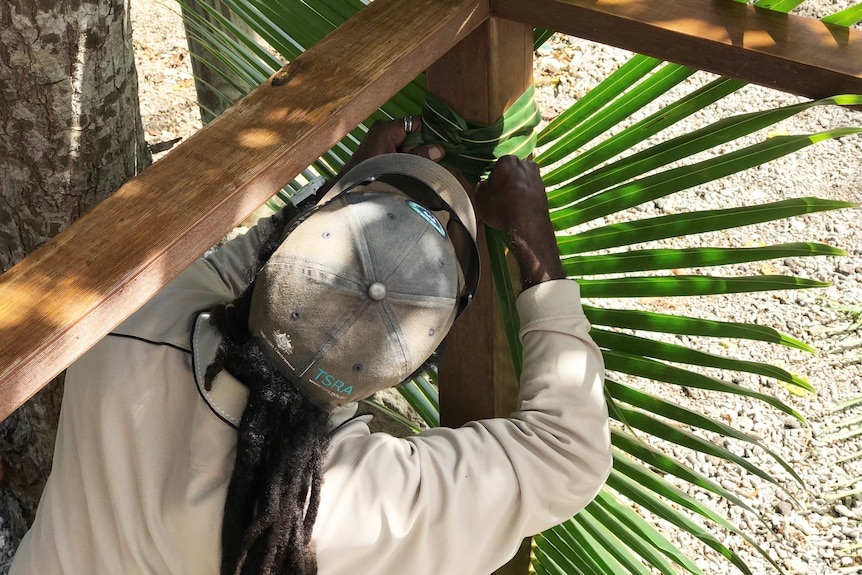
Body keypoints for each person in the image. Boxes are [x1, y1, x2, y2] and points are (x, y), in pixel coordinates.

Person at [10, 117, 611, 575]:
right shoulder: (351, 506)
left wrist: (340, 194)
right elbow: (569, 453)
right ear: (409, 371)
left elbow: (234, 270)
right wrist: (534, 244)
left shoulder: (121, 324)